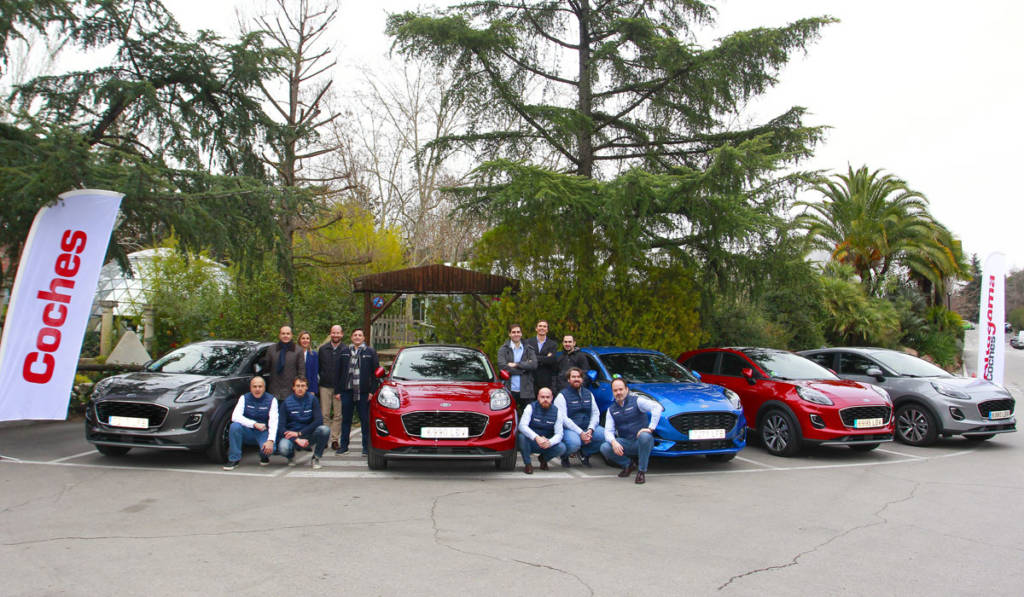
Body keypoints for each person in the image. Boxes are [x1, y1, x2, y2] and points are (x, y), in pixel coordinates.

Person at [600, 377, 663, 484]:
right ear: (612, 392)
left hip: (642, 442)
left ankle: (641, 471)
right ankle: (628, 465)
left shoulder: (637, 401)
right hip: (626, 442)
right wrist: (614, 442)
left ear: (627, 389)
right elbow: (608, 431)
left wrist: (650, 428)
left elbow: (657, 407)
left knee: (645, 436)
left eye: (621, 389)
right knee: (605, 447)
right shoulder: (611, 409)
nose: (618, 392)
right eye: (615, 390)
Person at [337, 328, 379, 455]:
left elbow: (376, 373)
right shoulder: (344, 351)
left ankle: (366, 448)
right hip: (347, 391)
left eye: (360, 335)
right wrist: (338, 391)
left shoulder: (370, 352)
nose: (357, 337)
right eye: (355, 335)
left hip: (364, 392)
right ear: (351, 337)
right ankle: (344, 447)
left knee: (365, 420)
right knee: (346, 420)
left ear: (364, 338)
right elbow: (338, 372)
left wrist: (372, 391)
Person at [223, 376, 278, 470]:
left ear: (264, 387)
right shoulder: (244, 398)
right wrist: (254, 424)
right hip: (247, 431)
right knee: (234, 426)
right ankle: (234, 459)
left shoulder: (272, 400)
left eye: (260, 386)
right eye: (254, 386)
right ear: (250, 388)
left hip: (263, 432)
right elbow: (235, 417)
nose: (257, 389)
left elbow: (274, 422)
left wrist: (270, 440)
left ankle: (263, 456)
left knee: (270, 449)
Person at [554, 367, 605, 467]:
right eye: (573, 377)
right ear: (569, 379)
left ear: (582, 379)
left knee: (606, 436)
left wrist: (590, 429)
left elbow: (595, 413)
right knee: (574, 443)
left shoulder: (588, 394)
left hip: (586, 427)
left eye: (578, 377)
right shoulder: (562, 396)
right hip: (569, 430)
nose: (576, 379)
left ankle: (585, 453)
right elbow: (564, 419)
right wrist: (580, 433)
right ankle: (565, 456)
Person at [276, 376, 331, 469]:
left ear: (307, 387)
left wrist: (300, 433)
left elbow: (319, 421)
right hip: (292, 436)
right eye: (297, 386)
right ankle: (290, 456)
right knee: (283, 448)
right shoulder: (286, 403)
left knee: (324, 430)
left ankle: (316, 457)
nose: (300, 388)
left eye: (302, 386)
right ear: (293, 387)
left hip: (308, 435)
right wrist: (296, 439)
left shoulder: (313, 400)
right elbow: (280, 427)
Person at [516, 387, 567, 474]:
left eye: (548, 397)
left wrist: (550, 442)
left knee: (562, 447)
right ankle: (528, 464)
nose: (545, 399)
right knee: (521, 437)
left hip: (546, 442)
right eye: (542, 397)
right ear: (538, 397)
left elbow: (559, 433)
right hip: (532, 441)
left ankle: (543, 459)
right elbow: (522, 426)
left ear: (552, 398)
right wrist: (536, 437)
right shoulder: (530, 407)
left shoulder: (557, 411)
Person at [318, 325, 346, 449]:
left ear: (342, 334)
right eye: (333, 333)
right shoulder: (323, 349)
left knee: (338, 415)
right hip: (325, 386)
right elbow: (319, 368)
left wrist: (342, 388)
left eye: (338, 333)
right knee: (324, 414)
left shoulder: (346, 349)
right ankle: (324, 438)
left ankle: (335, 439)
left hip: (339, 388)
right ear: (330, 334)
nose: (335, 335)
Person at [497, 323, 537, 409]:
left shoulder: (529, 349)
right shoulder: (503, 349)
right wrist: (523, 369)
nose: (516, 334)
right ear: (510, 334)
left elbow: (534, 364)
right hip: (509, 390)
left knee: (527, 417)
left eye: (518, 332)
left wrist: (516, 364)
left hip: (526, 390)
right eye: (514, 332)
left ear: (521, 334)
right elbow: (502, 366)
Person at [263, 326, 303, 401]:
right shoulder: (271, 349)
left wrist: (299, 388)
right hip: (274, 389)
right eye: (283, 333)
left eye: (288, 334)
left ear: (291, 335)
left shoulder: (298, 350)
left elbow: (301, 371)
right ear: (279, 335)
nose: (285, 336)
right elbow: (266, 368)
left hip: (291, 389)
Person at [526, 320, 559, 396]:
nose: (542, 328)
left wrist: (534, 358)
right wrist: (545, 358)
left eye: (544, 326)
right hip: (531, 380)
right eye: (540, 326)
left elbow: (551, 360)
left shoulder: (553, 344)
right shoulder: (528, 342)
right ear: (536, 328)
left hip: (546, 381)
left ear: (547, 330)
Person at [297, 331, 319, 397]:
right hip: (297, 387)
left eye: (307, 338)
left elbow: (315, 374)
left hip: (309, 388)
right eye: (303, 338)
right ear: (299, 340)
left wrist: (313, 390)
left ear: (310, 340)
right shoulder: (295, 354)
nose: (305, 340)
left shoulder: (314, 355)